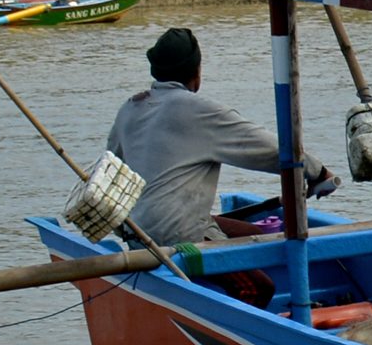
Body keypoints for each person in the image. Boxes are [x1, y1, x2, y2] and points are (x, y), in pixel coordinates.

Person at [105, 25, 333, 247]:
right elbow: (268, 148)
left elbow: (111, 171)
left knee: (252, 232)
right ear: (196, 71)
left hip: (136, 231)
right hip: (174, 236)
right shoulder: (195, 109)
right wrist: (317, 172)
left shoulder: (130, 107)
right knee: (261, 286)